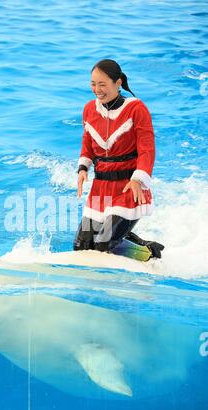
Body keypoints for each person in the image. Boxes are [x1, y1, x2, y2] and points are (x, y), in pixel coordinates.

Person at [74, 59, 164, 260]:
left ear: (118, 83)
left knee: (103, 244)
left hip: (128, 188)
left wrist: (138, 179)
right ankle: (128, 240)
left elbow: (147, 149)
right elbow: (87, 143)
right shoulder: (89, 109)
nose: (97, 89)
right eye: (93, 84)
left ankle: (147, 254)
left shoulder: (136, 109)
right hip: (101, 188)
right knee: (82, 246)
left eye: (102, 84)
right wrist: (82, 168)